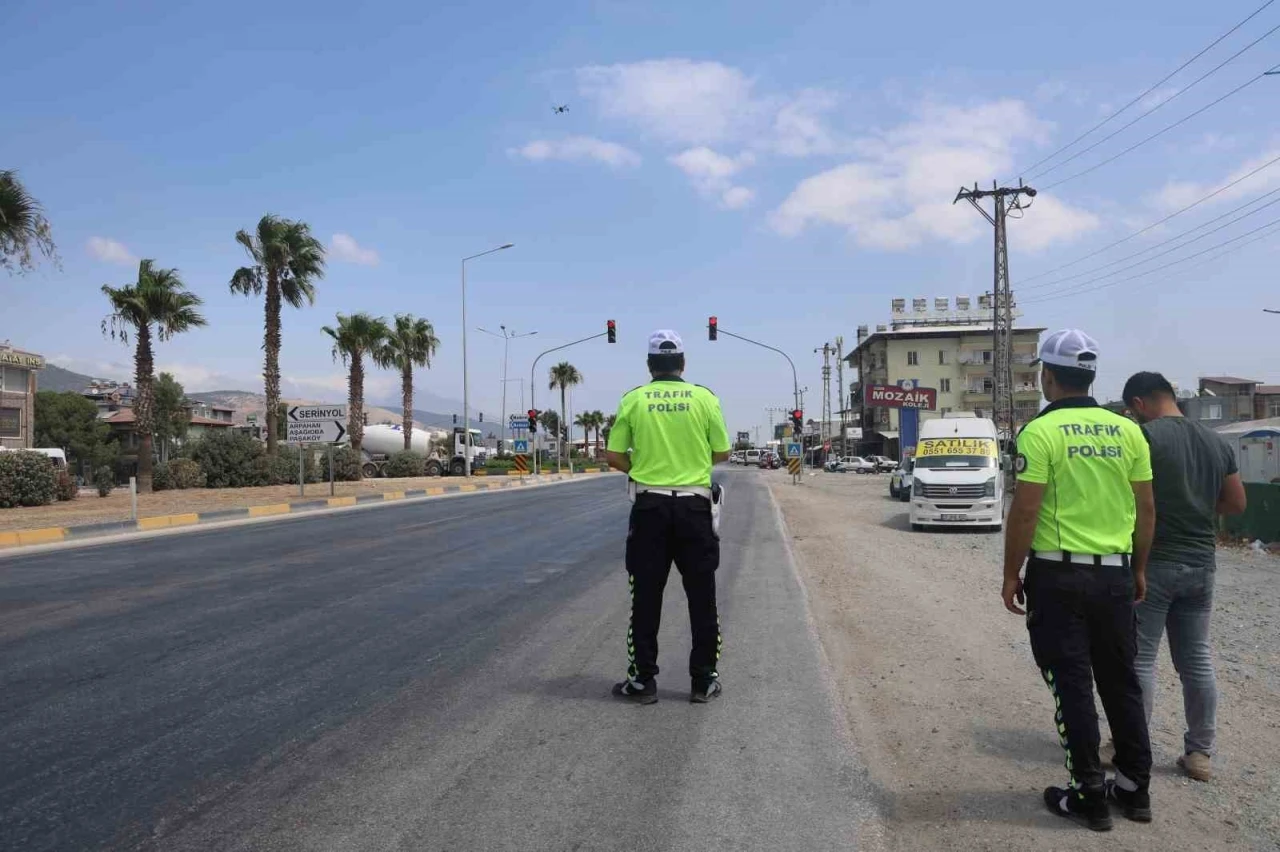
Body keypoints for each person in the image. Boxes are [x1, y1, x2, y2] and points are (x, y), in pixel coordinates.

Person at [1001, 329, 1156, 832]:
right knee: (1121, 682)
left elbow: (1025, 511)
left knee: (1071, 683)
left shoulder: (1040, 432)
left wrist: (1011, 573)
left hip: (1059, 576)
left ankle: (1088, 793)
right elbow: (1146, 508)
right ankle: (1133, 789)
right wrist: (1138, 568)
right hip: (1115, 574)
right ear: (1090, 375)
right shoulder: (1128, 430)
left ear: (1047, 376)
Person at [1121, 371, 1246, 783]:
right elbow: (1236, 503)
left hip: (1154, 562)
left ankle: (1129, 747)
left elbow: (1128, 499)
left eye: (1133, 412)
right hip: (1201, 564)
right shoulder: (1215, 441)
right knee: (1196, 660)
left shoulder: (1145, 438)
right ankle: (1199, 754)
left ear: (1139, 403)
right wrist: (1199, 506)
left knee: (1141, 658)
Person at [605, 330, 732, 705]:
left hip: (650, 510)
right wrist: (692, 464)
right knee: (702, 598)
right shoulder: (704, 398)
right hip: (694, 508)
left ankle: (642, 682)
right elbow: (722, 451)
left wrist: (644, 470)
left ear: (649, 365)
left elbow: (613, 456)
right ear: (683, 363)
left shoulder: (634, 399)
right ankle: (703, 681)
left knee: (645, 599)